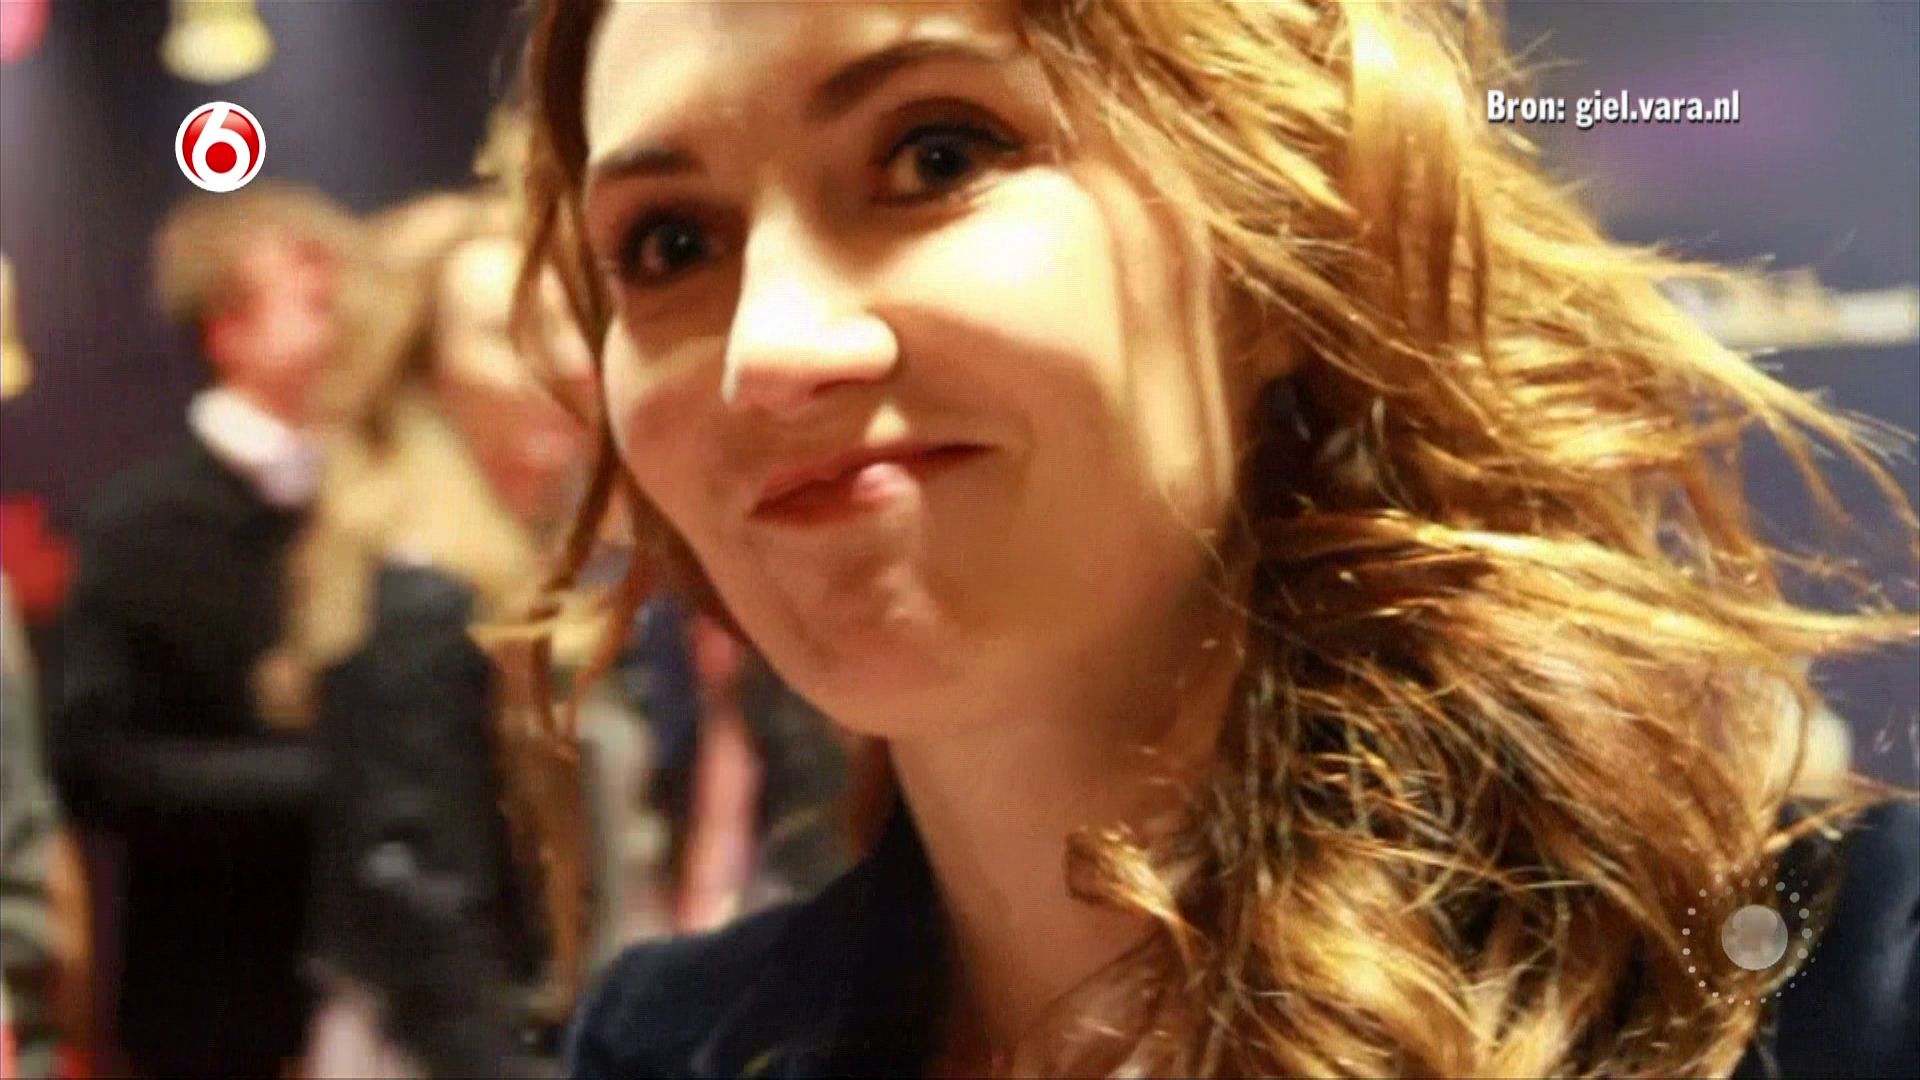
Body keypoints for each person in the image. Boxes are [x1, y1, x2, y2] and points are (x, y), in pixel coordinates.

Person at [502, 1, 1920, 1076]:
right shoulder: (669, 1044)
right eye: (670, 244)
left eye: (937, 154)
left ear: (1269, 252)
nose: (770, 350)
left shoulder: (1835, 983)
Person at [279, 185, 600, 1079]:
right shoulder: (423, 589)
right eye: (508, 336)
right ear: (420, 372)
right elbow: (417, 894)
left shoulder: (518, 559)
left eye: (569, 325)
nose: (563, 362)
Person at [52, 184, 357, 1079]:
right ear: (227, 330)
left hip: (387, 994)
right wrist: (334, 781)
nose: (349, 326)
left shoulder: (385, 502)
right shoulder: (138, 525)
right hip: (214, 1008)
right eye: (315, 303)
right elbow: (94, 766)